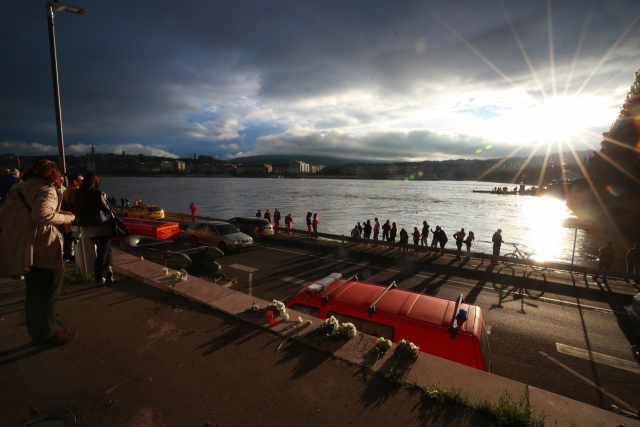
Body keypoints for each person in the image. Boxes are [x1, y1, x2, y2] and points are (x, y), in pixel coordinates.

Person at [0, 159, 77, 346]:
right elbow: (41, 215)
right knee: (50, 291)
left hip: (25, 247)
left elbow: (3, 216)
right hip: (43, 246)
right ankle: (47, 335)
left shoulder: (17, 189)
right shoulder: (46, 190)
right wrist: (67, 217)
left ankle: (37, 330)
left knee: (32, 292)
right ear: (51, 174)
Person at [69, 173, 115, 287]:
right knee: (102, 253)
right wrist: (105, 199)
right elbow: (108, 211)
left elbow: (72, 211)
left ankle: (109, 270)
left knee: (106, 248)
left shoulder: (75, 194)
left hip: (86, 229)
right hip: (102, 227)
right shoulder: (98, 194)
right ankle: (99, 278)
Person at [61, 173, 83, 260]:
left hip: (67, 223)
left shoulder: (65, 191)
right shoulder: (74, 193)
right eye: (81, 180)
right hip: (74, 223)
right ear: (75, 182)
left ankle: (68, 255)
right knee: (75, 244)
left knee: (69, 241)